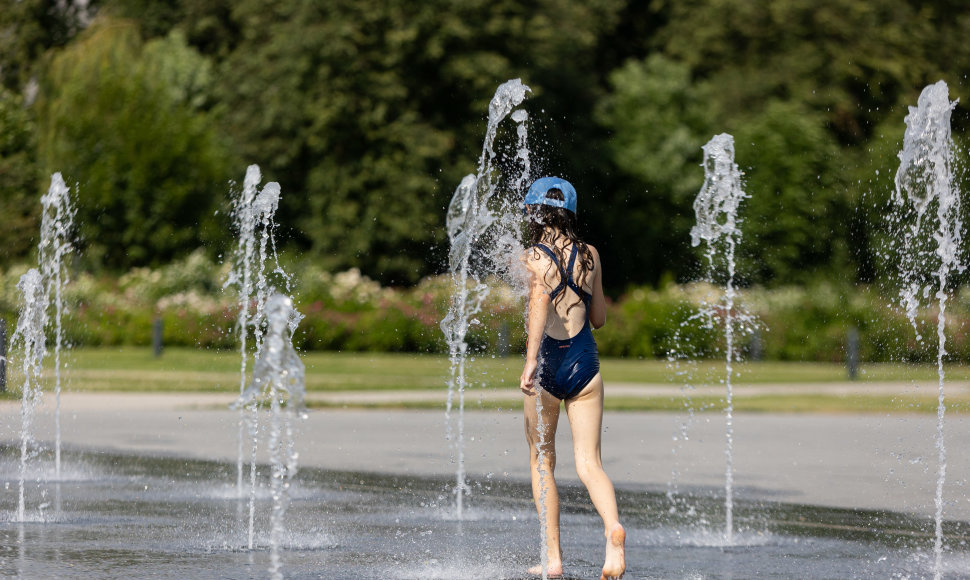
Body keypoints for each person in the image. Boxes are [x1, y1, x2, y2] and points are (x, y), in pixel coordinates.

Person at [518, 176, 625, 580]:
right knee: (590, 463)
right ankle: (612, 530)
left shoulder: (532, 256)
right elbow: (597, 319)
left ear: (534, 211)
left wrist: (531, 361)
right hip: (585, 364)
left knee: (542, 459)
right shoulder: (591, 254)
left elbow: (539, 301)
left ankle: (553, 559)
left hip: (546, 365)